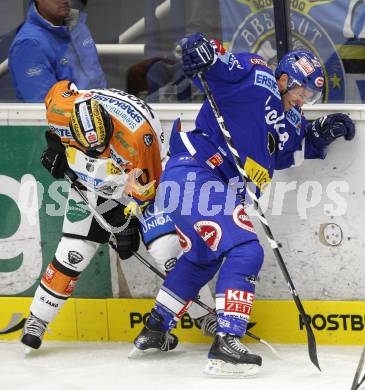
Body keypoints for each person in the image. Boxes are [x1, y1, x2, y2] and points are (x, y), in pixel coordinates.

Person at [130, 33, 356, 377]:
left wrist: (317, 133)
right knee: (247, 251)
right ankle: (226, 343)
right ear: (284, 80)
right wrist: (198, 49)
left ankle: (156, 328)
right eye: (301, 92)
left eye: (310, 97)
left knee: (202, 259)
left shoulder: (292, 122)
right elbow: (212, 64)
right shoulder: (257, 76)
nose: (303, 102)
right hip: (196, 175)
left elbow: (286, 153)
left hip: (215, 189)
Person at [20, 80, 215, 350]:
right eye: (89, 148)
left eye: (100, 146)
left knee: (166, 248)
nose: (95, 152)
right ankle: (37, 319)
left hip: (142, 179)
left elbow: (145, 194)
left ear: (109, 127)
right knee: (74, 249)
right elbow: (61, 97)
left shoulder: (138, 140)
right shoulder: (60, 108)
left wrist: (123, 223)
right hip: (93, 180)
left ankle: (206, 315)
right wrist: (55, 146)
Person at [8, 0, 106, 102]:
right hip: (78, 114)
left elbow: (97, 80)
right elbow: (47, 107)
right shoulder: (29, 44)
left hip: (102, 107)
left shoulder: (78, 26)